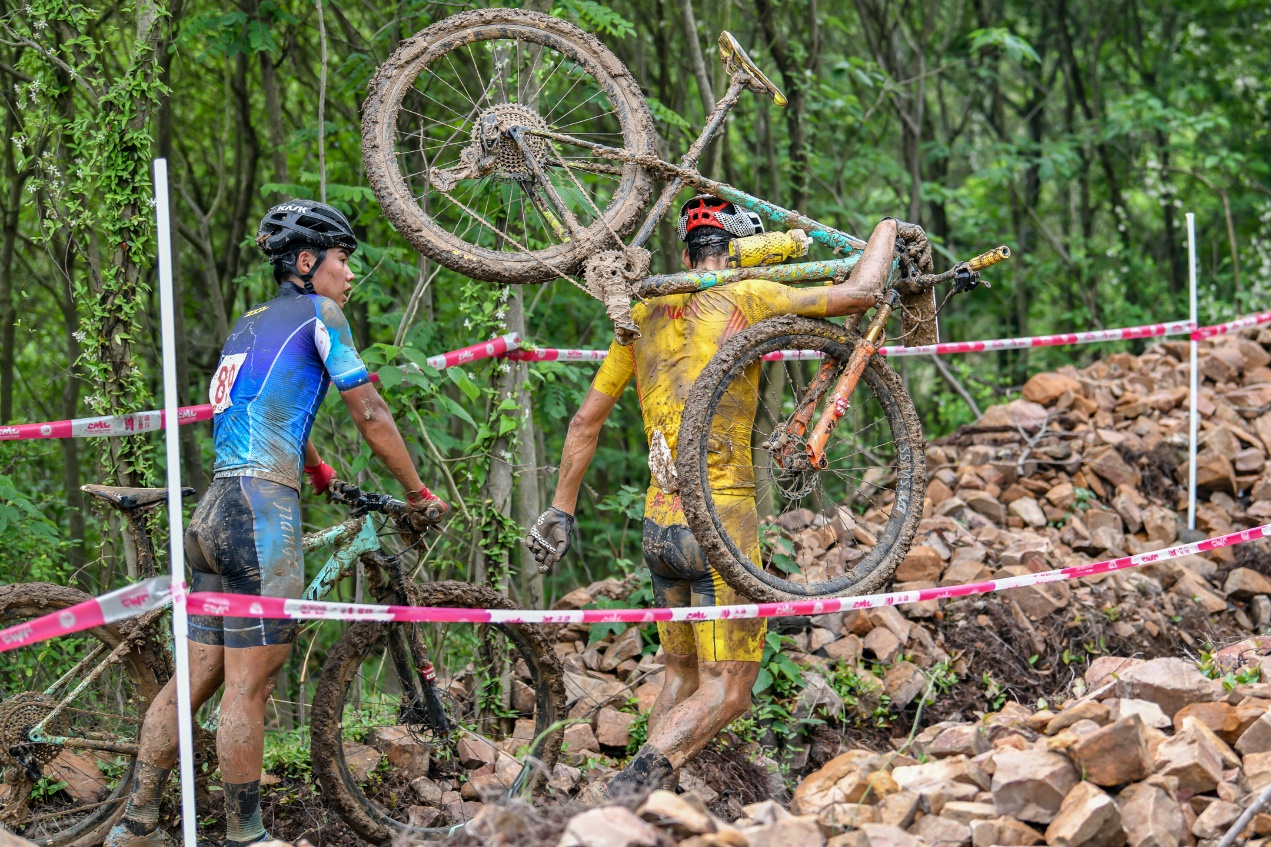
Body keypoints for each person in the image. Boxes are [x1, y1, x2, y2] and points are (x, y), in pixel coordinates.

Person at [525, 195, 905, 797]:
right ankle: (631, 788)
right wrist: (886, 227)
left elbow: (584, 422)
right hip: (721, 521)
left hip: (659, 527)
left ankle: (641, 812)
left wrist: (560, 510)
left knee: (679, 675)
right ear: (745, 251)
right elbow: (861, 293)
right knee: (728, 690)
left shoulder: (643, 313)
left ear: (685, 254)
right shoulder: (749, 296)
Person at [106, 200, 446, 847]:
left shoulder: (249, 324)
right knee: (249, 686)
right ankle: (247, 835)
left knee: (195, 678)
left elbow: (269, 409)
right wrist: (417, 490)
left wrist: (319, 472)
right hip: (262, 517)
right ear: (307, 260)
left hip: (213, 513)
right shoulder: (322, 314)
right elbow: (369, 411)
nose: (350, 275)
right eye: (343, 260)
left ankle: (137, 821)